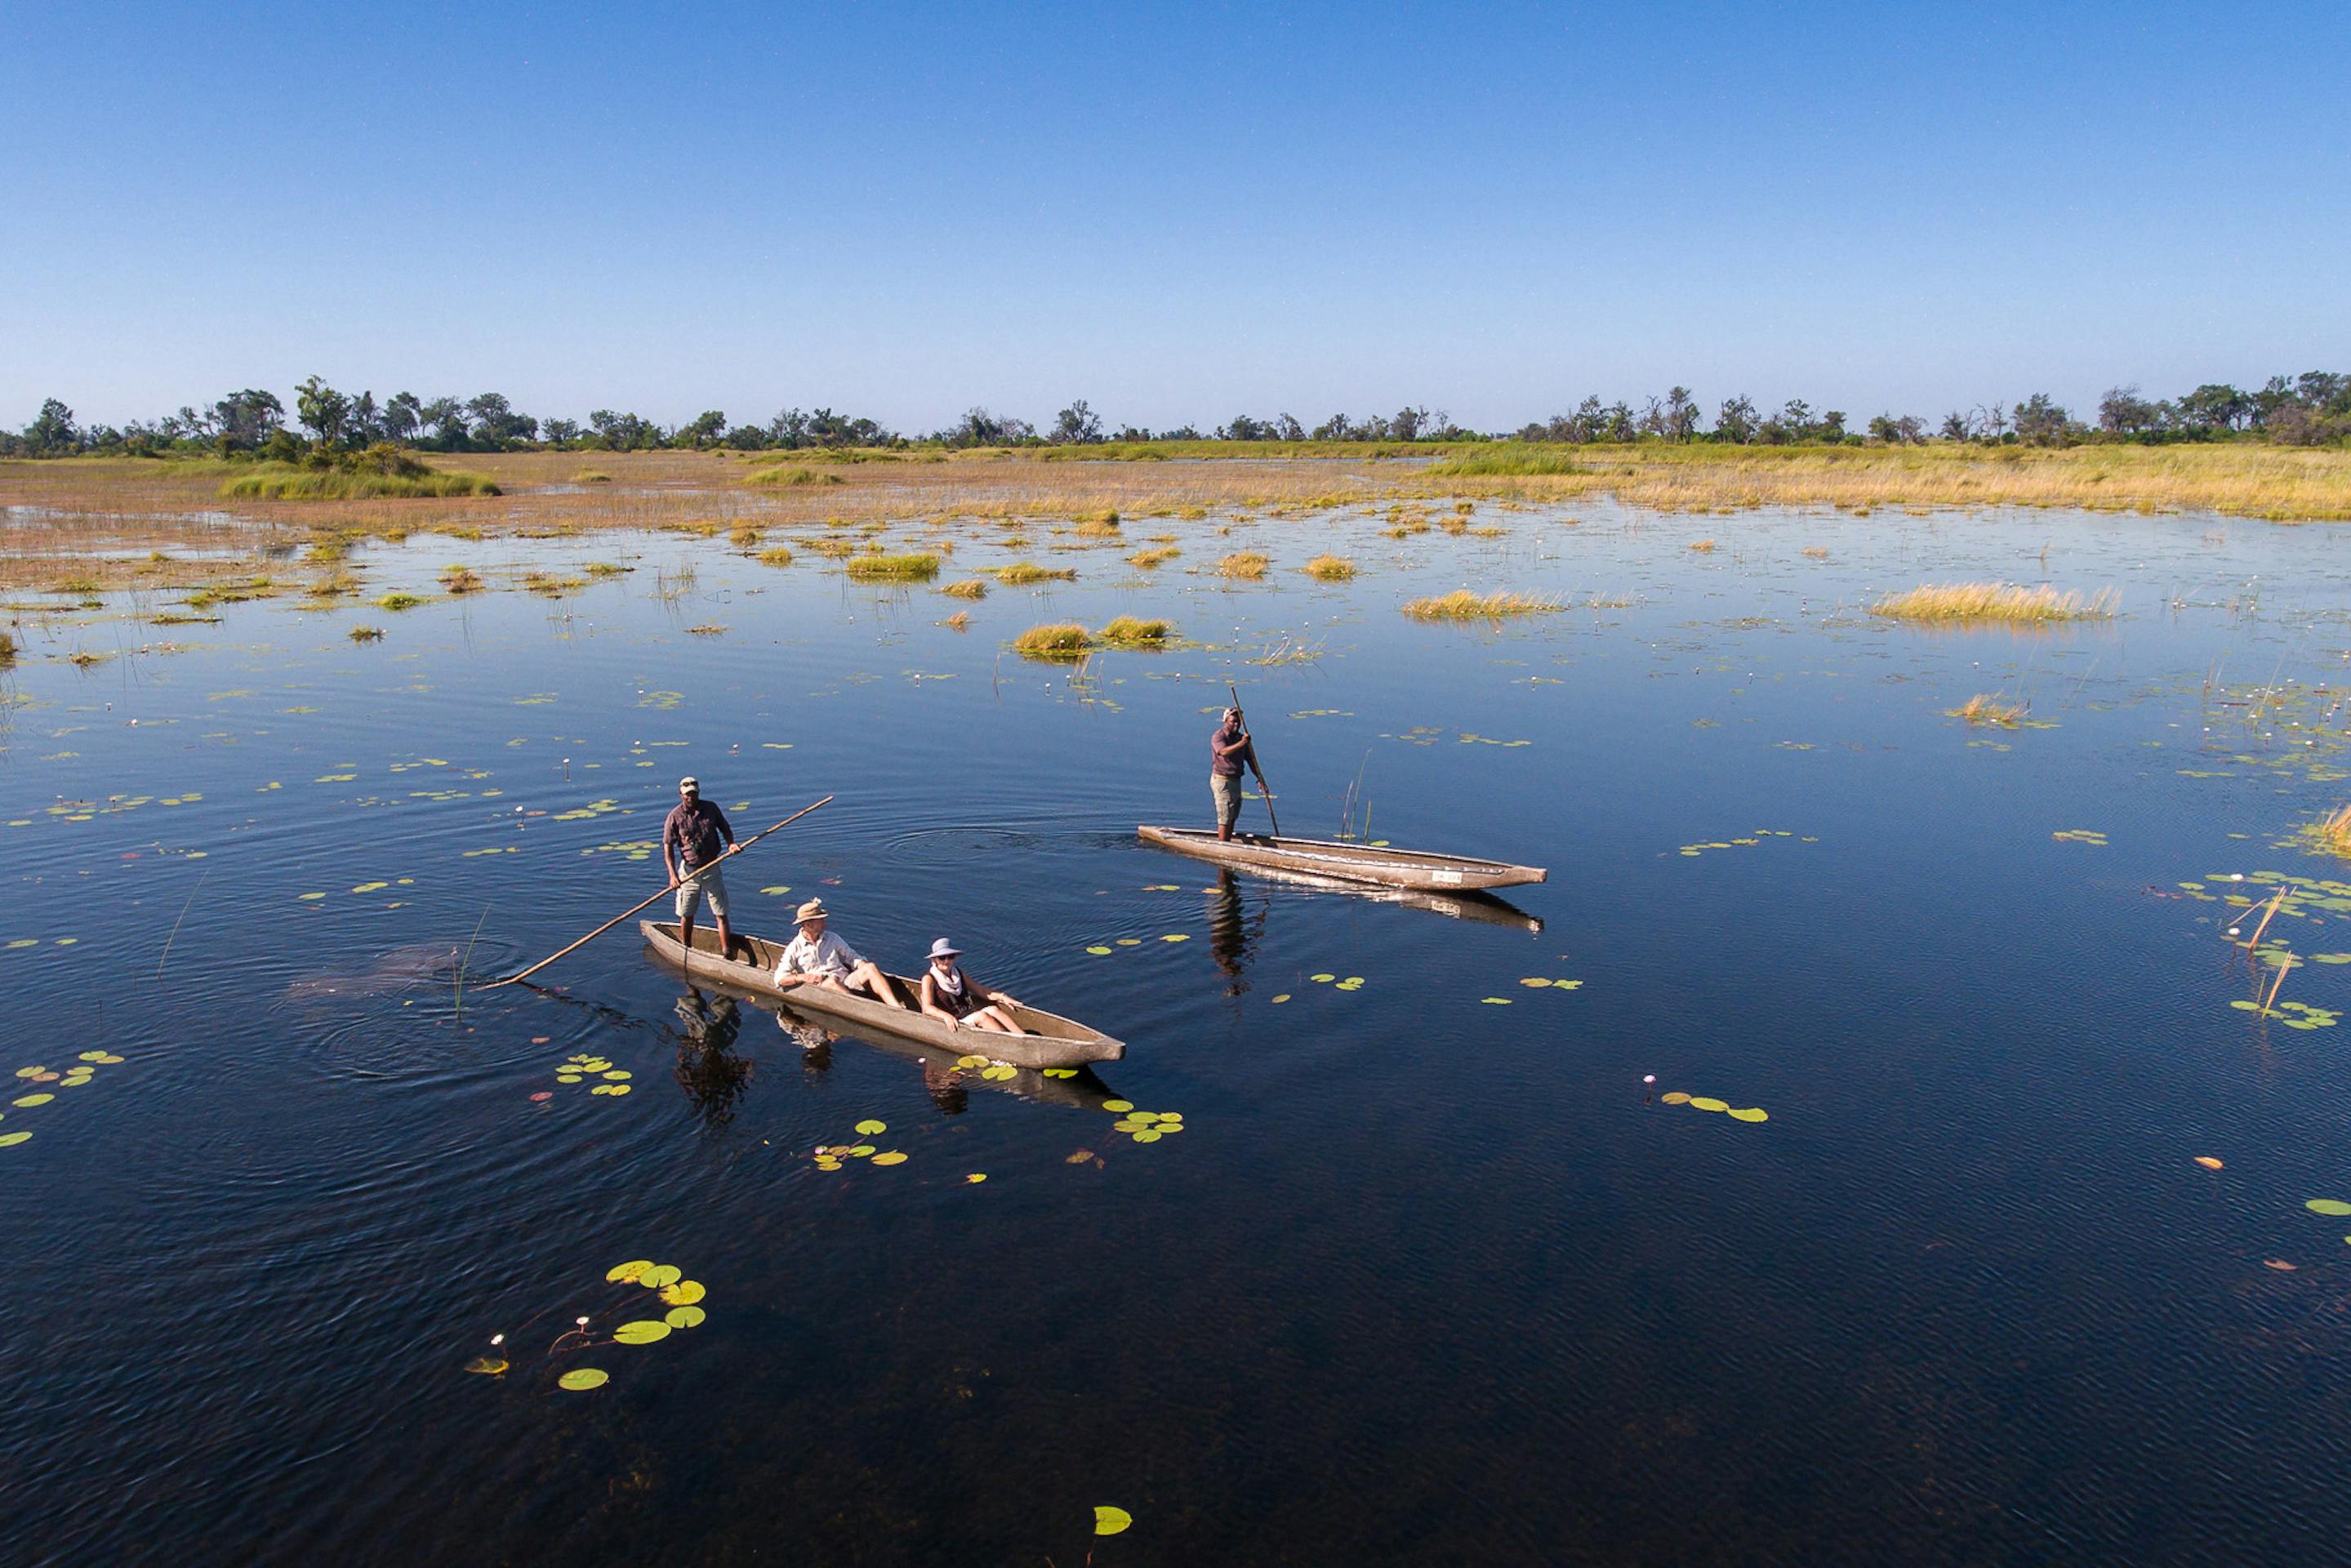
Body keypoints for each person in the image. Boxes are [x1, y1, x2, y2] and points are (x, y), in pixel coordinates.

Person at [771, 899, 910, 1010]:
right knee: (832, 982)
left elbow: (851, 956)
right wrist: (803, 977)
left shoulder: (832, 938)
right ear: (808, 924)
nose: (825, 923)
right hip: (823, 986)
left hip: (845, 981)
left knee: (870, 967)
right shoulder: (794, 948)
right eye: (821, 920)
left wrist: (861, 964)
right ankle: (863, 1010)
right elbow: (780, 979)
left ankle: (895, 1008)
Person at [663, 776, 740, 961]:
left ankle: (727, 952)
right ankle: (686, 948)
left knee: (721, 913)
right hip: (689, 872)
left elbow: (725, 829)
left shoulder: (710, 809)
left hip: (711, 868)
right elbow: (668, 847)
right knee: (686, 913)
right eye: (687, 794)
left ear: (698, 793)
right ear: (681, 795)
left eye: (694, 794)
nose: (691, 797)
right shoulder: (675, 816)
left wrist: (731, 845)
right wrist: (673, 876)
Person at [915, 938, 1026, 1035]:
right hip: (952, 1021)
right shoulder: (929, 979)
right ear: (934, 960)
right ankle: (1009, 1043)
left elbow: (981, 990)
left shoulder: (958, 973)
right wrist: (946, 1016)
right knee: (982, 1016)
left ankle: (1024, 1037)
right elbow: (927, 1008)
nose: (947, 961)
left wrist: (1002, 997)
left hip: (966, 1014)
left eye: (951, 957)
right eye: (942, 958)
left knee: (993, 1009)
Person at [1211, 706, 1266, 842]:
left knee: (1233, 815)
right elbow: (1223, 752)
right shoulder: (1219, 736)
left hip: (1236, 781)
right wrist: (1242, 743)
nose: (1236, 724)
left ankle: (1228, 842)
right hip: (1222, 781)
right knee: (1225, 816)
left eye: (1238, 721)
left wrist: (1260, 778)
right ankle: (1222, 847)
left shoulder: (1242, 739)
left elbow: (1250, 760)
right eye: (1233, 721)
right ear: (1225, 721)